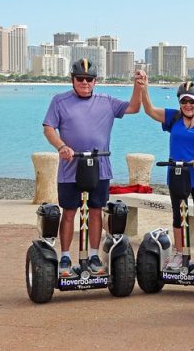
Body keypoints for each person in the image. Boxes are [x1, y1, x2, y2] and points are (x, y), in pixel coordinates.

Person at [43, 58, 143, 277]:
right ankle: (66, 258)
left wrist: (138, 86)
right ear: (72, 80)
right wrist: (61, 146)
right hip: (71, 166)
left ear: (95, 81)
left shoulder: (106, 101)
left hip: (100, 166)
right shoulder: (59, 101)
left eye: (89, 79)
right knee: (69, 212)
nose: (85, 83)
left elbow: (134, 108)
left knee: (96, 211)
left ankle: (95, 256)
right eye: (80, 79)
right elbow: (49, 128)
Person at [139, 73, 194, 272]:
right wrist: (143, 88)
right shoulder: (173, 117)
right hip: (177, 173)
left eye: (191, 101)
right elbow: (149, 110)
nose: (187, 105)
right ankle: (180, 253)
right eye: (184, 101)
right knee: (178, 215)